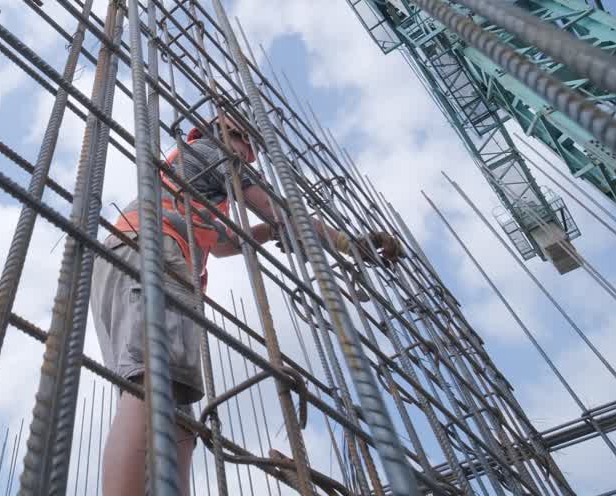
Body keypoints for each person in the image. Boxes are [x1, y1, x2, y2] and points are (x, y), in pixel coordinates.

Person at [89, 111, 401, 495]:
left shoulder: (189, 171)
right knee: (153, 380)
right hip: (155, 249)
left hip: (128, 256)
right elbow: (281, 211)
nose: (249, 156)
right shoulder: (214, 152)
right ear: (226, 132)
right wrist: (348, 244)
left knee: (177, 411)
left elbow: (222, 246)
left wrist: (270, 232)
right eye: (247, 146)